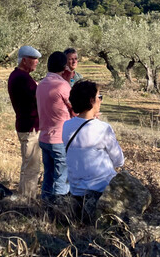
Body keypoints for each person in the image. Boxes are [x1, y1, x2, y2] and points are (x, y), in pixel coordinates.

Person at [63, 80, 124, 219]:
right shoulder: (103, 129)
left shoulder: (66, 126)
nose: (101, 100)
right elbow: (119, 161)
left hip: (76, 190)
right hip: (100, 190)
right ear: (92, 101)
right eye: (99, 97)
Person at [36, 50, 73, 202]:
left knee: (48, 177)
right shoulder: (62, 86)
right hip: (59, 139)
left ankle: (45, 207)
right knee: (61, 178)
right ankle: (59, 210)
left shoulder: (41, 85)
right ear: (64, 67)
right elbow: (75, 109)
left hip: (44, 137)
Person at [7, 45, 42, 200]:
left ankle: (24, 197)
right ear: (25, 60)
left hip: (26, 125)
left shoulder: (19, 76)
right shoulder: (22, 78)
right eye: (34, 59)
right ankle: (27, 201)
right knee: (31, 167)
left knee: (28, 165)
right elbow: (37, 99)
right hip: (29, 127)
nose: (36, 62)